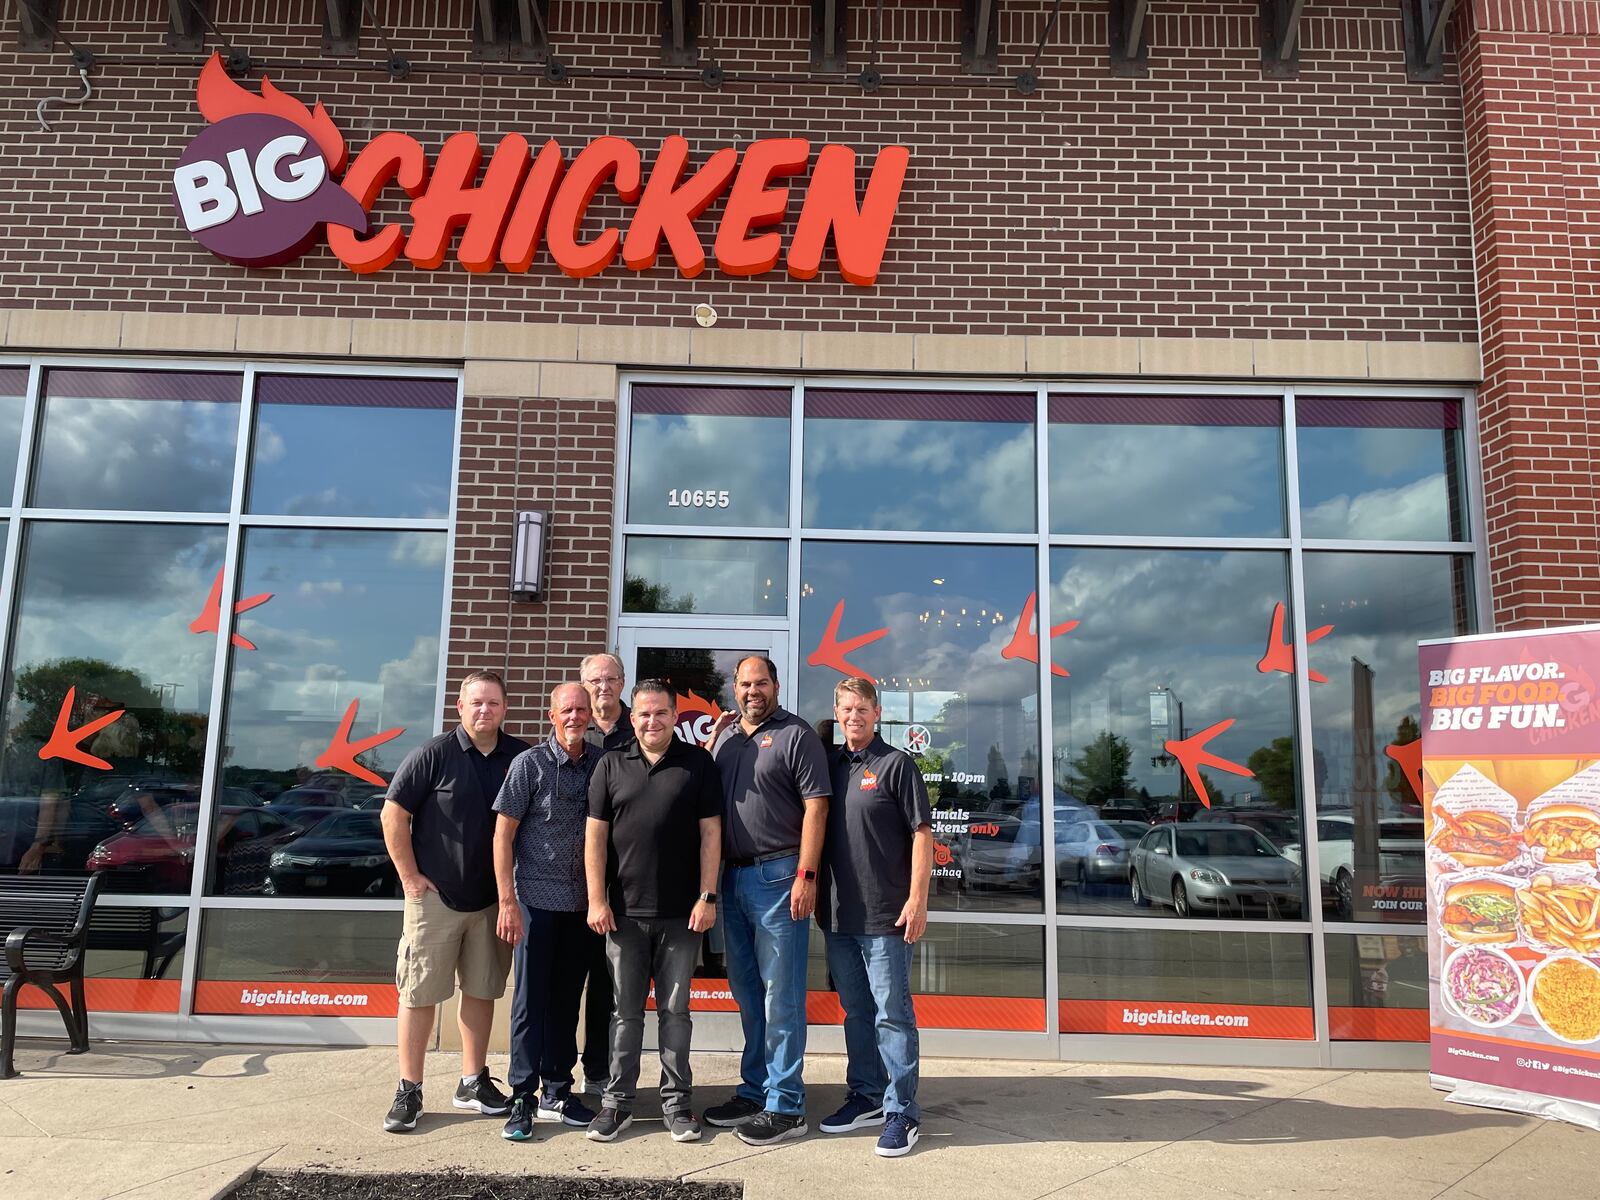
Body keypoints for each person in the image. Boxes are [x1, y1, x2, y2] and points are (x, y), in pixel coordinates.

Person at [379, 670, 529, 1134]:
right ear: (460, 707)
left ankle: (472, 1080)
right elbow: (393, 815)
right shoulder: (432, 755)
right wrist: (410, 878)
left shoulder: (520, 758)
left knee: (483, 991)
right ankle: (409, 1088)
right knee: (420, 993)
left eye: (494, 703)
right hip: (436, 899)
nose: (485, 711)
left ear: (505, 709)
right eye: (476, 703)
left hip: (493, 901)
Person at [582, 681, 722, 1143]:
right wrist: (597, 899)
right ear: (633, 716)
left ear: (674, 715)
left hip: (682, 916)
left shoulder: (697, 764)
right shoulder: (610, 763)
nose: (651, 721)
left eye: (661, 713)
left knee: (676, 1012)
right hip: (622, 914)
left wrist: (707, 896)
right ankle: (617, 1104)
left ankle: (677, 1104)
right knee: (624, 1013)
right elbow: (595, 838)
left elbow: (710, 836)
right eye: (643, 714)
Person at [703, 655, 831, 1146]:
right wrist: (713, 742)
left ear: (775, 686)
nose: (752, 690)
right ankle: (755, 1089)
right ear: (734, 688)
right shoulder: (729, 737)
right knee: (748, 990)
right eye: (744, 683)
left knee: (782, 994)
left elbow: (817, 808)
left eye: (761, 682)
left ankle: (786, 1104)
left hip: (779, 876)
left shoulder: (796, 735)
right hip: (731, 878)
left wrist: (807, 875)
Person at [815, 677, 933, 1158]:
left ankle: (902, 1111)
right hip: (839, 915)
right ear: (837, 713)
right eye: (845, 709)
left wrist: (918, 899)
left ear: (877, 712)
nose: (853, 716)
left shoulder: (896, 765)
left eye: (861, 708)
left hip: (886, 915)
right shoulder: (829, 766)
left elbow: (922, 834)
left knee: (892, 1015)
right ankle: (865, 1094)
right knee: (857, 1012)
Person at [493, 682, 605, 1140]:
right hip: (535, 903)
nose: (575, 716)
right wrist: (507, 902)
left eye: (582, 709)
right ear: (552, 715)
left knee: (566, 1001)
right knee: (529, 1003)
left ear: (590, 716)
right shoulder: (529, 765)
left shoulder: (601, 764)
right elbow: (502, 836)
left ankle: (558, 1088)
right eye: (567, 710)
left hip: (582, 907)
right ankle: (523, 1094)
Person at [576, 651, 632, 1094]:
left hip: (632, 879)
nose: (602, 686)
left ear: (623, 682)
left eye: (610, 678)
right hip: (578, 883)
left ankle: (611, 1074)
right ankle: (589, 1072)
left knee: (618, 987)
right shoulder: (574, 731)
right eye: (595, 679)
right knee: (586, 978)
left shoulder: (643, 729)